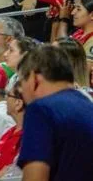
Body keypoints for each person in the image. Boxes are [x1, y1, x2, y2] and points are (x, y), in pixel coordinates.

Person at [16, 44, 93, 180]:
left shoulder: (40, 110)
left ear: (34, 78)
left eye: (21, 82)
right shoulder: (88, 105)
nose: (20, 90)